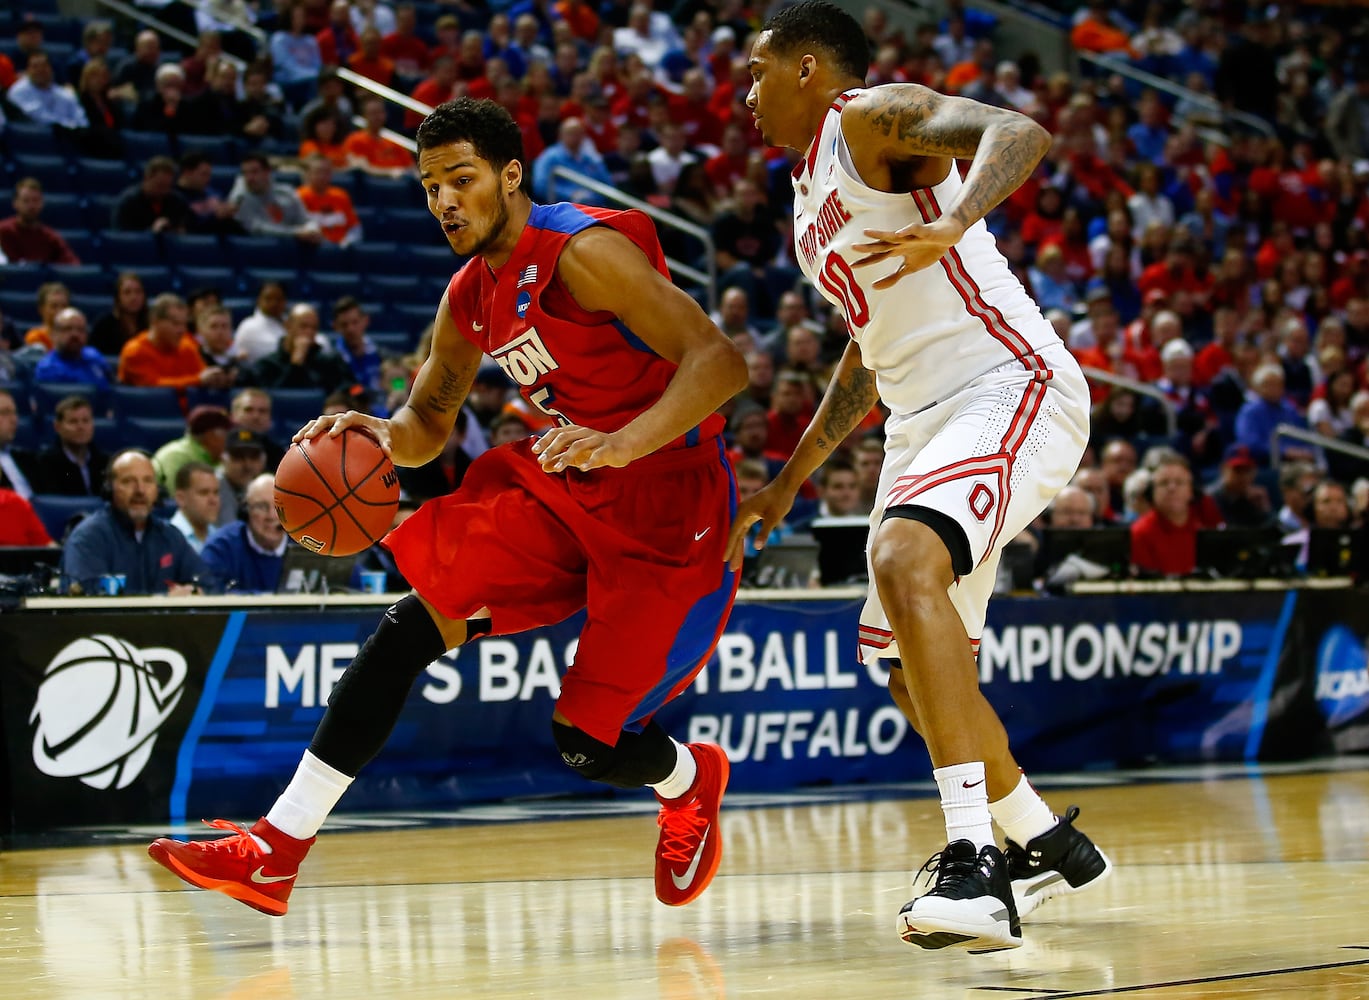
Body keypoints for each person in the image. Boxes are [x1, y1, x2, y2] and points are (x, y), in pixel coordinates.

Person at [148, 97, 748, 917]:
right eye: (431, 187)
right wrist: (376, 436)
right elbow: (427, 424)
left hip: (670, 505)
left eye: (460, 180)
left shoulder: (583, 252)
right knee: (408, 624)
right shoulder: (468, 295)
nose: (444, 202)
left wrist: (623, 442)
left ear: (510, 176)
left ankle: (689, 778)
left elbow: (719, 363)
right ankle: (276, 849)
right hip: (569, 483)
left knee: (583, 746)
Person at [728, 2, 1109, 953]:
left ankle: (975, 867)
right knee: (900, 663)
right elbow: (866, 351)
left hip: (1004, 382)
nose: (745, 92)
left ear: (809, 69)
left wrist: (958, 222)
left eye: (758, 70)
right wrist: (790, 480)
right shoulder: (808, 194)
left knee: (904, 562)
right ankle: (1042, 841)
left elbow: (1016, 131)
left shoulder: (868, 116)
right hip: (919, 420)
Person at [60, 449, 207, 595]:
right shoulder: (88, 539)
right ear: (109, 488)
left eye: (148, 481)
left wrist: (195, 592)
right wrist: (163, 600)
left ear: (158, 489)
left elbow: (207, 583)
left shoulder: (170, 536)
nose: (140, 490)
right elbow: (87, 601)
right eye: (128, 481)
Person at [200, 473, 287, 591]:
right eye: (261, 506)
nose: (272, 516)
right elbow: (209, 594)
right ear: (245, 512)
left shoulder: (306, 542)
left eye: (279, 506)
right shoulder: (221, 547)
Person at [32, 395, 109, 496]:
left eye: (86, 421)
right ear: (57, 426)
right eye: (73, 421)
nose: (81, 427)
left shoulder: (105, 462)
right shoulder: (44, 463)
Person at [0, 177, 80, 265]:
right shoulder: (3, 231)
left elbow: (73, 264)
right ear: (15, 203)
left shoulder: (49, 236)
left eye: (35, 200)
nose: (31, 206)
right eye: (26, 201)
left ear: (42, 203)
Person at [152, 405, 232, 490]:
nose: (231, 440)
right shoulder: (175, 456)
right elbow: (176, 499)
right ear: (210, 437)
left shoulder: (219, 459)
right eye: (228, 434)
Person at [33, 307, 110, 387]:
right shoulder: (47, 369)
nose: (75, 334)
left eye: (80, 329)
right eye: (68, 329)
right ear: (54, 334)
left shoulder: (95, 357)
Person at [169, 460, 221, 552]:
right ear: (181, 498)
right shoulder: (168, 540)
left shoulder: (220, 537)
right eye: (204, 493)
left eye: (216, 493)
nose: (213, 500)